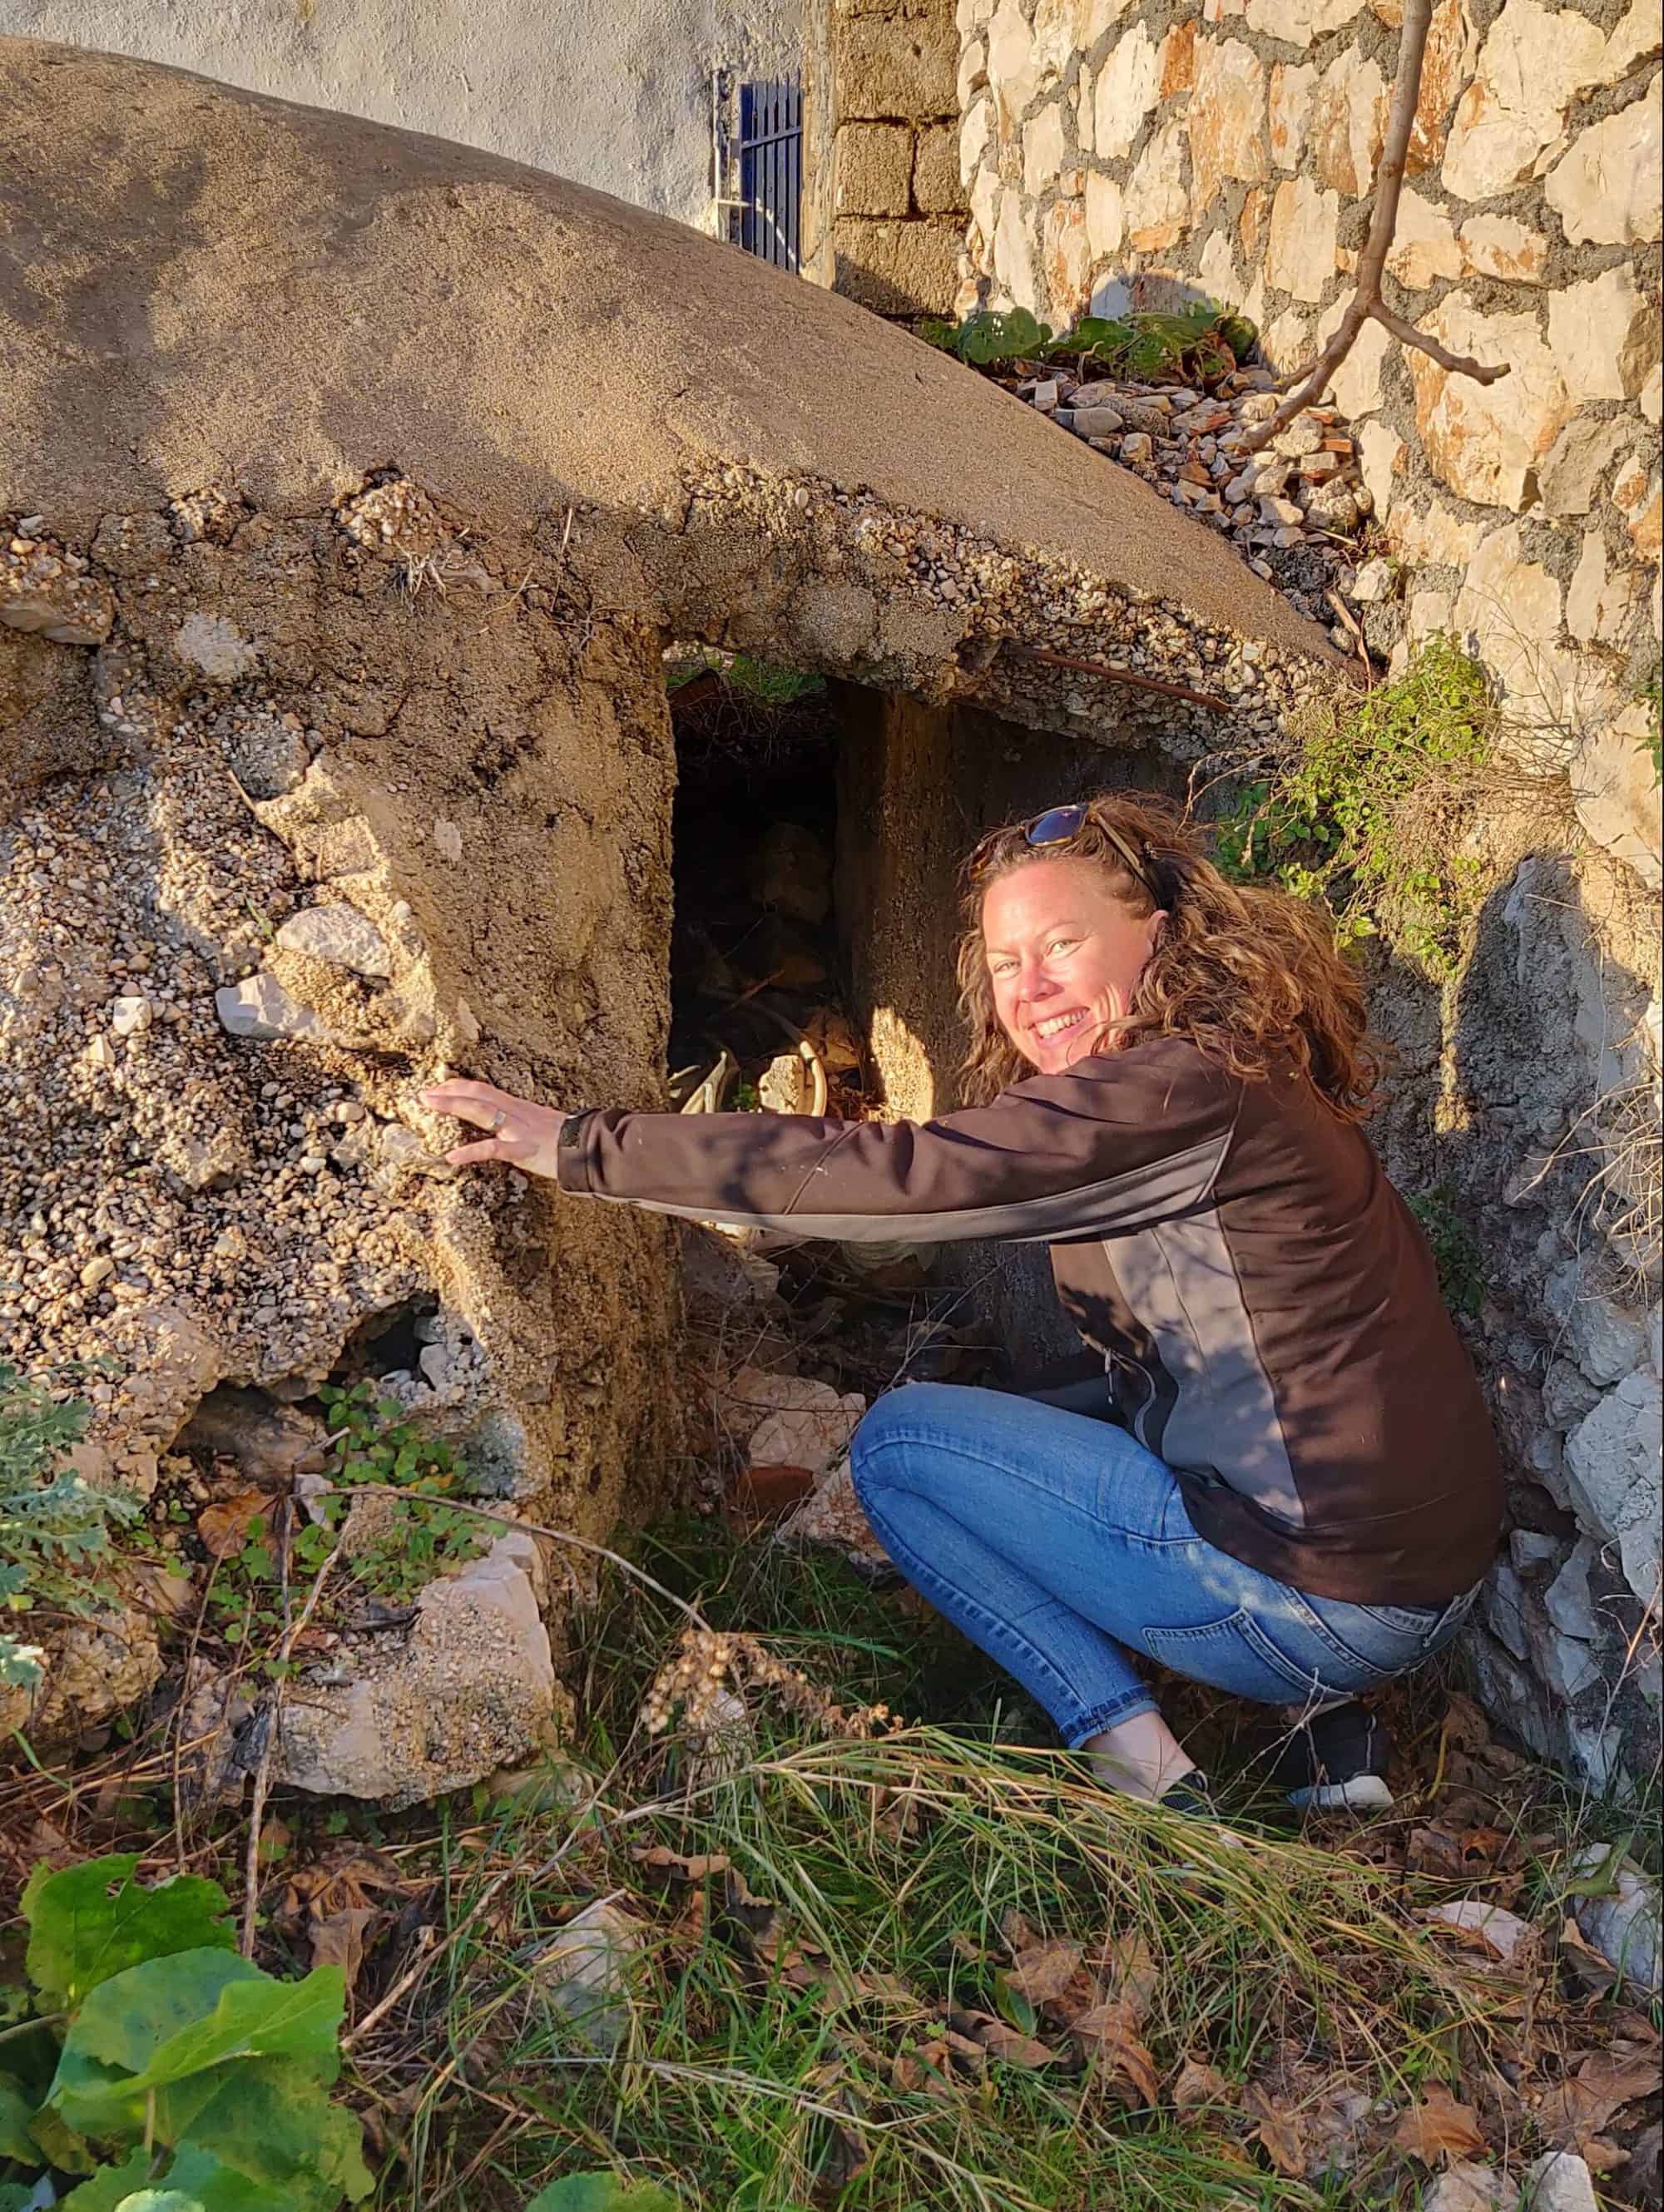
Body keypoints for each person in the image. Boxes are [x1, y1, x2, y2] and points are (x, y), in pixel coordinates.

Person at [419, 793, 1502, 1819]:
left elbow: (908, 1173)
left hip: (1319, 1603)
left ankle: (1146, 1771)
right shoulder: (1243, 1075)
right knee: (1094, 1412)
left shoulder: (1167, 1094)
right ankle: (1327, 1727)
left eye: (1063, 946)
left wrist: (580, 1146)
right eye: (1004, 963)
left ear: (1161, 939)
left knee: (900, 1446)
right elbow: (1207, 1364)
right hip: (1427, 1580)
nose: (1029, 990)